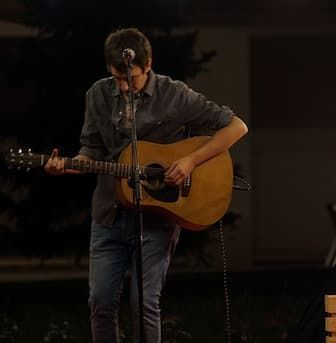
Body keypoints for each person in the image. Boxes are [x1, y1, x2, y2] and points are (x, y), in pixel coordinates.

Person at [44, 28, 248, 342]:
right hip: (109, 214)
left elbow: (236, 126)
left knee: (145, 302)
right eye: (118, 79)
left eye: (132, 79)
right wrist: (69, 166)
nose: (124, 87)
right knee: (100, 302)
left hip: (157, 218)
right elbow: (90, 151)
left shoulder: (174, 94)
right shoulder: (97, 95)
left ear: (148, 63)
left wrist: (190, 161)